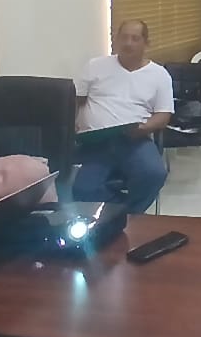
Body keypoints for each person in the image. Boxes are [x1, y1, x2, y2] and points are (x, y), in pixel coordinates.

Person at [73, 20, 174, 213]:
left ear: (146, 43)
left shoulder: (159, 75)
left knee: (154, 175)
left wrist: (145, 128)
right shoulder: (95, 66)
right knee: (82, 189)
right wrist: (72, 122)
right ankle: (119, 213)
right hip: (95, 141)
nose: (128, 43)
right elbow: (75, 100)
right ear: (116, 40)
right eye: (124, 38)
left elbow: (163, 115)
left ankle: (127, 216)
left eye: (135, 38)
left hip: (134, 140)